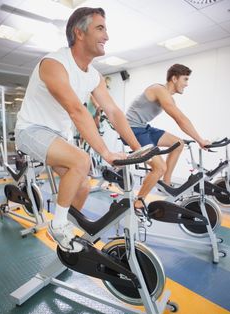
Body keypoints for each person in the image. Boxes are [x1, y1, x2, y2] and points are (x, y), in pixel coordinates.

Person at [14, 7, 140, 253]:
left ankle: (65, 231)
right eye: (100, 28)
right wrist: (106, 152)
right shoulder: (54, 63)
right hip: (31, 130)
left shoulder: (94, 76)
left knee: (82, 185)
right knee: (82, 160)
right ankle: (58, 225)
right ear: (79, 33)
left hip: (57, 135)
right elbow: (75, 109)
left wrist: (139, 149)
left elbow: (113, 112)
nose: (107, 36)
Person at [123, 63, 210, 211]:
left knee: (178, 143)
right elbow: (180, 119)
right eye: (185, 79)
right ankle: (138, 203)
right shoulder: (159, 89)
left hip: (143, 127)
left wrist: (198, 139)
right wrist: (200, 140)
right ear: (174, 78)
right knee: (159, 167)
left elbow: (180, 118)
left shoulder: (169, 97)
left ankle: (166, 184)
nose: (187, 84)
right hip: (131, 130)